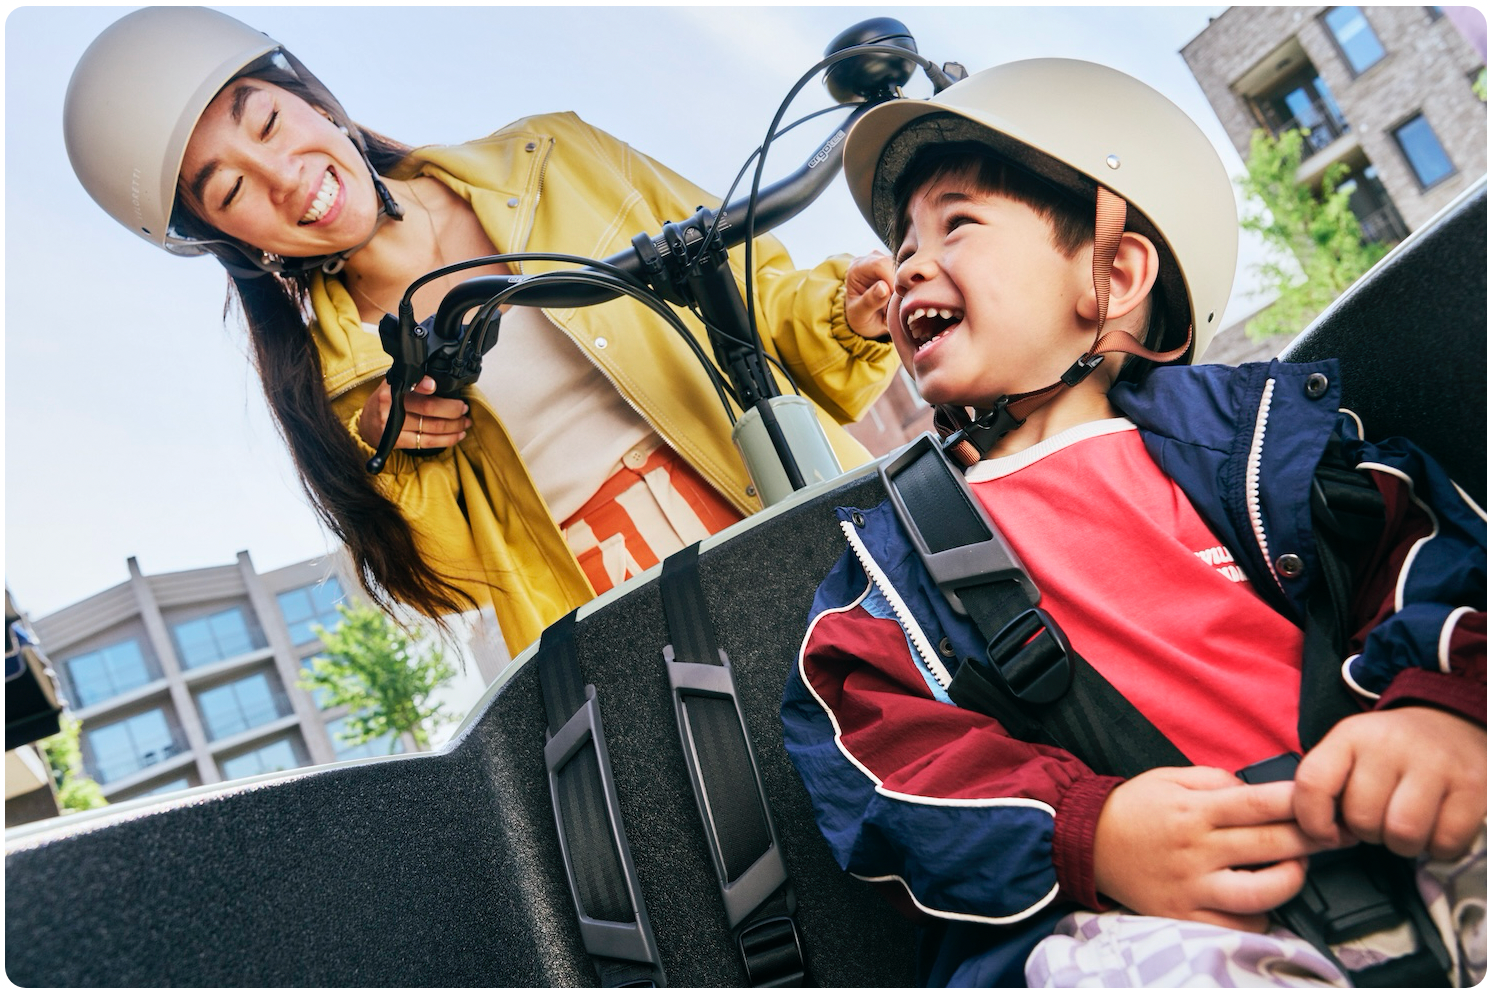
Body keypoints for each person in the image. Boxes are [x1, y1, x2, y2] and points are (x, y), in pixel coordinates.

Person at [780, 58, 1486, 987]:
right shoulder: (892, 568)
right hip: (1148, 927)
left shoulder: (1257, 440)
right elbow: (878, 759)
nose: (909, 263)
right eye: (904, 243)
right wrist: (1087, 832)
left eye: (957, 225)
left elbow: (1418, 552)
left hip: (1393, 813)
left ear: (1113, 274)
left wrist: (1440, 704)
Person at [64, 6, 899, 653]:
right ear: (232, 241)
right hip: (622, 620)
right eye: (231, 190)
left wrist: (849, 312)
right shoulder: (341, 386)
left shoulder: (558, 154)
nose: (282, 178)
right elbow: (453, 580)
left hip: (779, 493)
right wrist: (394, 460)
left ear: (313, 101)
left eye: (269, 124)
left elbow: (759, 299)